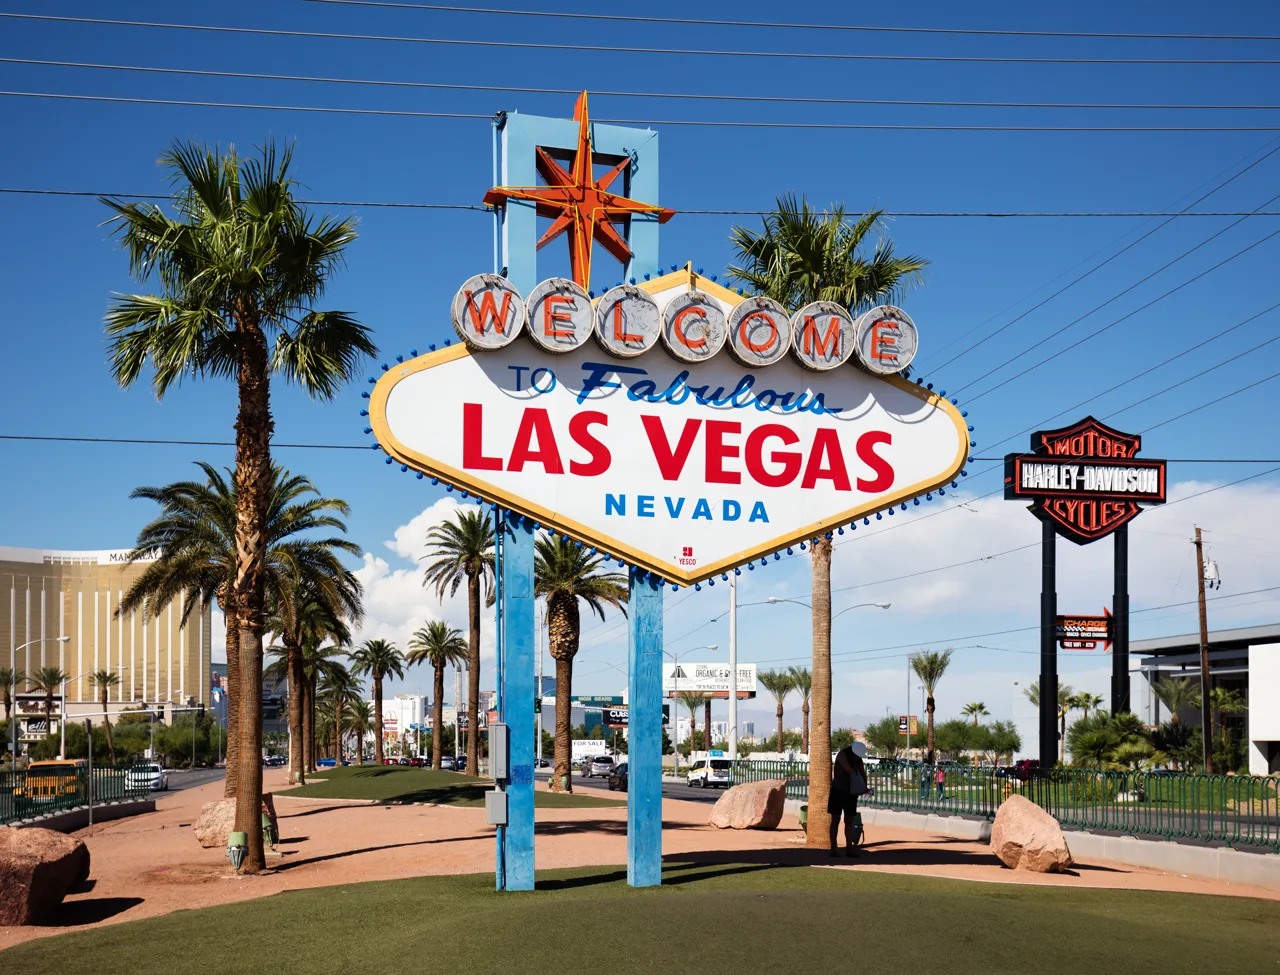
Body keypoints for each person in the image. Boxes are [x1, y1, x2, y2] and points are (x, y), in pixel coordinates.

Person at [828, 740, 869, 856]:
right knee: (835, 820)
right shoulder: (842, 754)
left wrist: (865, 787)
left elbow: (862, 773)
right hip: (838, 791)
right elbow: (849, 770)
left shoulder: (858, 760)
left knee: (849, 821)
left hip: (851, 793)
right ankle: (833, 848)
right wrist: (860, 782)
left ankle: (849, 849)